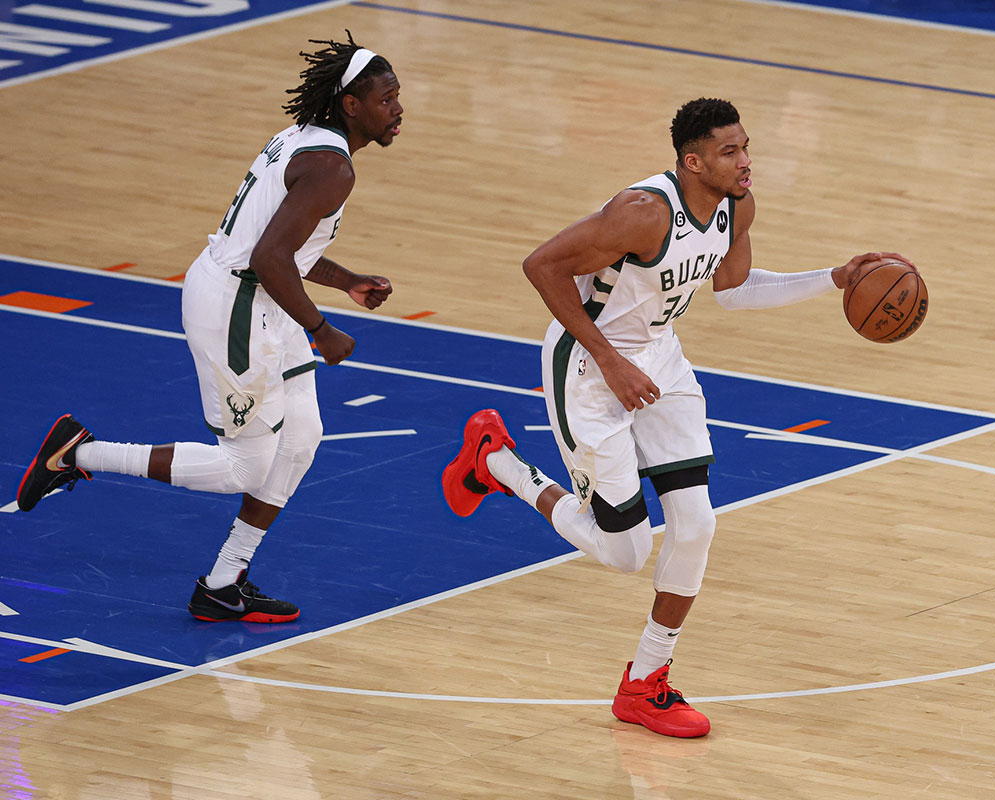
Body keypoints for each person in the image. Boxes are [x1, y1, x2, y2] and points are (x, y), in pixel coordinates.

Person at [443, 97, 916, 737]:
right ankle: (496, 462)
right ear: (692, 161)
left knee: (695, 525)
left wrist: (833, 278)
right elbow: (541, 266)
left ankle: (645, 682)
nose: (746, 162)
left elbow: (735, 290)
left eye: (746, 146)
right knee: (626, 553)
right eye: (730, 152)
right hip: (587, 366)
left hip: (660, 361)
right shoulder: (641, 214)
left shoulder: (736, 204)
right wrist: (609, 359)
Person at [16, 32, 402, 623]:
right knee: (242, 468)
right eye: (386, 98)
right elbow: (271, 258)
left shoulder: (306, 140)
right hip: (238, 307)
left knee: (302, 437)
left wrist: (345, 279)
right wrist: (322, 329)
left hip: (257, 293)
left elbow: (278, 246)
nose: (398, 109)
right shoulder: (332, 168)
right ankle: (80, 453)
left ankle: (224, 582)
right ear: (351, 104)